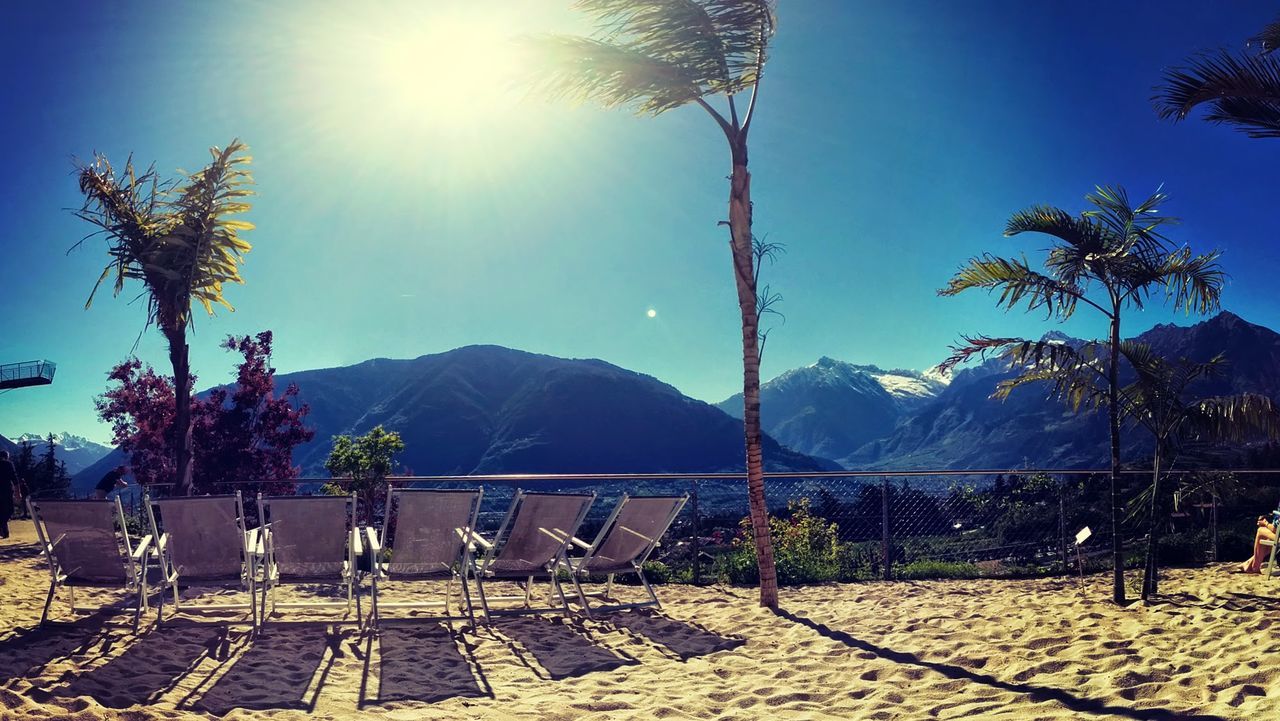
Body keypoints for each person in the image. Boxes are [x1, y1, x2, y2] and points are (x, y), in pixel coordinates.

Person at [0, 450, 16, 539]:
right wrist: (18, 492)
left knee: (1, 510)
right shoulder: (8, 464)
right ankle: (3, 529)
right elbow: (14, 477)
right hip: (6, 491)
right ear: (6, 456)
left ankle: (4, 532)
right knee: (9, 510)